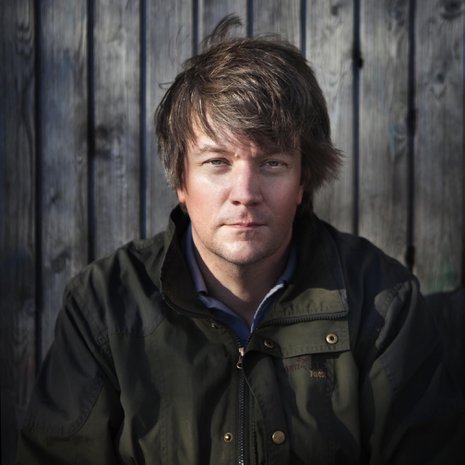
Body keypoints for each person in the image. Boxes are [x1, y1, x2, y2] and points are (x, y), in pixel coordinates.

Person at [17, 16, 463, 465]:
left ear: (303, 181)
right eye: (217, 162)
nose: (245, 193)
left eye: (272, 163)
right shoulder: (104, 307)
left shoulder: (382, 304)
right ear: (181, 181)